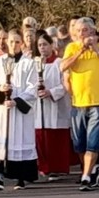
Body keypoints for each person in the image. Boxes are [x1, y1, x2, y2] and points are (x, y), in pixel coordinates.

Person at [61, 18, 99, 191]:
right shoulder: (72, 48)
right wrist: (80, 51)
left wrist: (96, 48)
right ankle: (89, 170)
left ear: (92, 31)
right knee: (79, 143)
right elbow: (63, 66)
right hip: (78, 102)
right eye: (78, 31)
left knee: (93, 140)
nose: (81, 34)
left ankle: (86, 176)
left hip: (98, 102)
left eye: (84, 30)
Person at [0, 30, 39, 191]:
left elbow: (33, 86)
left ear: (22, 43)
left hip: (20, 111)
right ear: (7, 43)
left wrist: (17, 101)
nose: (14, 45)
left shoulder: (29, 63)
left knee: (21, 140)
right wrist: (0, 89)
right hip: (4, 109)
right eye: (11, 42)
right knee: (4, 140)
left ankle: (22, 177)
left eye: (17, 42)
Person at [32, 33, 71, 180]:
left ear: (51, 45)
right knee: (41, 138)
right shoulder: (34, 63)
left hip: (56, 106)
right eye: (39, 45)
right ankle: (44, 167)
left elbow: (65, 84)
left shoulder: (59, 63)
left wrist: (51, 92)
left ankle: (57, 168)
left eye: (45, 44)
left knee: (56, 139)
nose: (42, 48)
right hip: (39, 107)